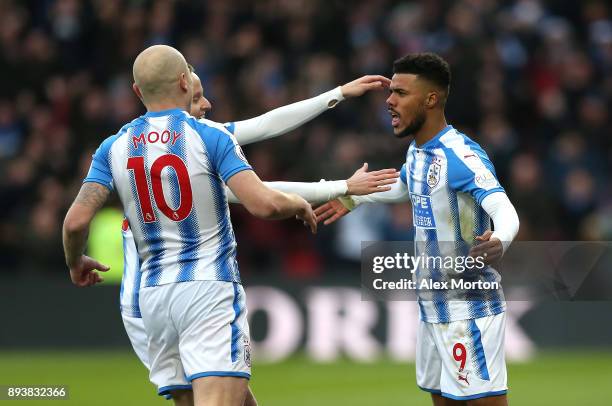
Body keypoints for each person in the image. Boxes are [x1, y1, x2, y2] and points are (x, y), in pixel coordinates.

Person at [120, 64, 398, 404]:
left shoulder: (139, 146)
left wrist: (337, 94)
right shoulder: (189, 152)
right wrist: (341, 187)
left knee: (236, 398)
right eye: (196, 98)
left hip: (154, 294)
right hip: (184, 291)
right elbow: (259, 194)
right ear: (174, 95)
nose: (207, 104)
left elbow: (265, 124)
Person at [315, 53, 520, 405]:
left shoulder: (462, 157)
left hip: (467, 311)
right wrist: (353, 198)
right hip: (431, 309)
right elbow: (407, 187)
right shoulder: (418, 152)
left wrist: (500, 239)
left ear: (431, 99)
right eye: (390, 92)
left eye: (400, 93)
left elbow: (504, 208)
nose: (389, 102)